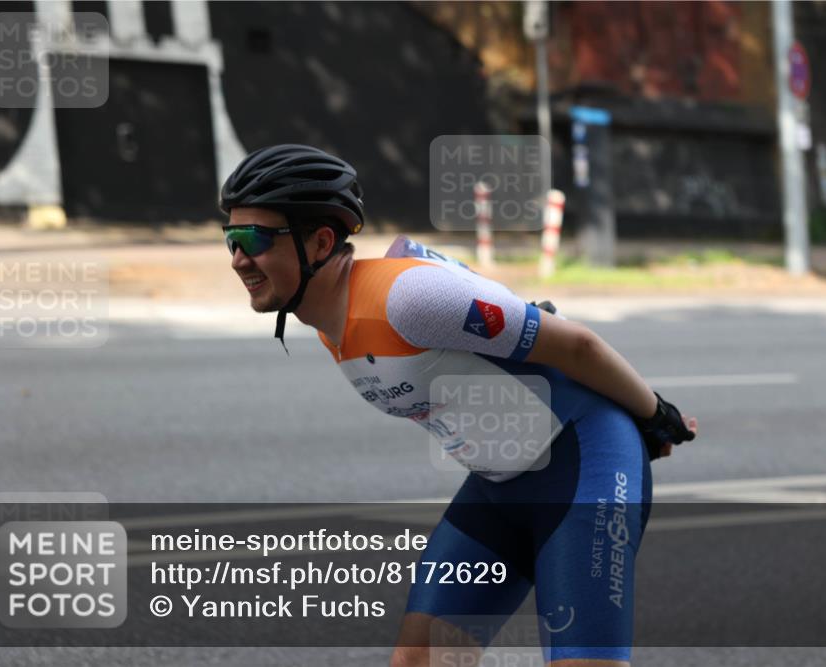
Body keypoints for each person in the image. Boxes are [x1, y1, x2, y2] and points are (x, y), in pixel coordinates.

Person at [220, 144, 698, 667]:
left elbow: (576, 345)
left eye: (255, 239)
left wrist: (657, 418)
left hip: (586, 464)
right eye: (232, 239)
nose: (239, 258)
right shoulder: (326, 316)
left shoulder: (407, 298)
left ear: (321, 242)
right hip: (499, 488)